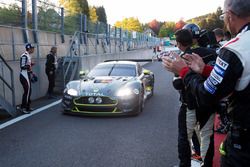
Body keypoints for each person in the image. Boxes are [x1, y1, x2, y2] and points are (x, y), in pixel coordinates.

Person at [163, 0, 250, 166]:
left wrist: (183, 72)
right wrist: (205, 70)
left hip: (243, 140)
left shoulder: (235, 48)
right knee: (205, 136)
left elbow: (207, 94)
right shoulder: (221, 51)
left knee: (187, 136)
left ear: (230, 16)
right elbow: (236, 76)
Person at [172, 29, 216, 167]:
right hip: (208, 104)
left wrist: (177, 72)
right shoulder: (210, 52)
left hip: (189, 104)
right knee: (206, 138)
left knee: (185, 138)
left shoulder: (182, 58)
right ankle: (205, 164)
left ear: (179, 43)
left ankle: (186, 164)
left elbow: (178, 83)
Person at [19, 43, 35, 114]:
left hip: (27, 75)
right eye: (32, 48)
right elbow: (22, 66)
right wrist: (29, 66)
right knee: (27, 92)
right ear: (29, 48)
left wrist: (32, 72)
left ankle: (27, 107)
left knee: (29, 91)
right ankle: (23, 108)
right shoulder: (24, 56)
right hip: (24, 75)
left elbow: (28, 66)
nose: (33, 49)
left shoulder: (28, 55)